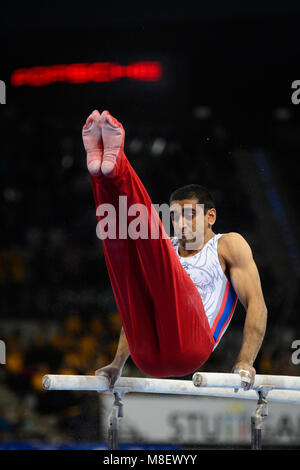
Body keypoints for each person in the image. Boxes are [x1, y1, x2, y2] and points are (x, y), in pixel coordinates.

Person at [82, 109, 267, 392]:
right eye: (176, 215)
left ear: (211, 217)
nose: (181, 222)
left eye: (190, 214)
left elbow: (257, 304)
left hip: (190, 348)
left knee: (144, 237)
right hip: (148, 357)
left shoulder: (228, 245)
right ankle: (101, 173)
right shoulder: (166, 247)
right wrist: (118, 363)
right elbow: (137, 306)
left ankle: (119, 166)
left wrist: (245, 360)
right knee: (123, 258)